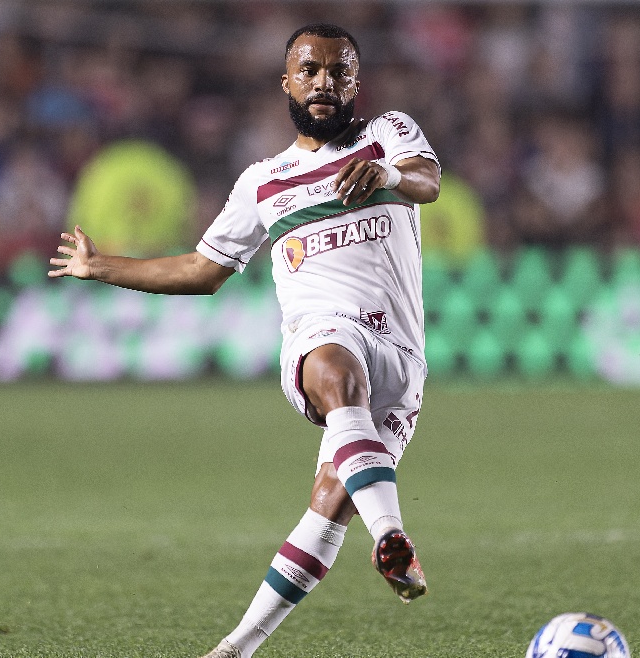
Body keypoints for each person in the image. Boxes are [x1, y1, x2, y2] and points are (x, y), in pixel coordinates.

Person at [48, 23, 440, 658]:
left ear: (355, 84)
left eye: (337, 71)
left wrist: (387, 176)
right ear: (285, 81)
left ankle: (234, 649)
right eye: (308, 70)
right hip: (324, 341)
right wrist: (102, 268)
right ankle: (393, 537)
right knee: (337, 369)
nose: (322, 82)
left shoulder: (386, 135)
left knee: (328, 507)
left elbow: (428, 181)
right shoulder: (264, 181)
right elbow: (204, 271)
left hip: (401, 360)